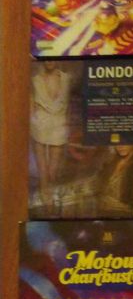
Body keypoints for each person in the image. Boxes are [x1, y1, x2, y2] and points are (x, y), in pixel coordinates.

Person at [30, 61, 72, 211]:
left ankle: (51, 196)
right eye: (46, 58)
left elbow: (69, 102)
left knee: (52, 170)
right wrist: (32, 121)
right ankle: (46, 199)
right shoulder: (36, 79)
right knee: (43, 170)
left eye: (52, 58)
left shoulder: (66, 78)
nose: (49, 61)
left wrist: (67, 123)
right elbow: (31, 101)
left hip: (59, 124)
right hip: (40, 123)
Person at [98, 145, 133, 217]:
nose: (120, 146)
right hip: (103, 212)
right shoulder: (111, 162)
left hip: (124, 215)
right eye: (117, 142)